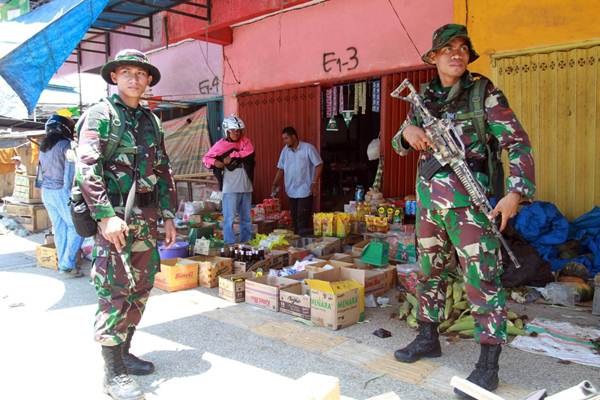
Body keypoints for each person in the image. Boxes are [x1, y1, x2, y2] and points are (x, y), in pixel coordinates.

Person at [391, 24, 535, 399]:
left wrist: (515, 193)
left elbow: (517, 142)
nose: (457, 53)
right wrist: (407, 134)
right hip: (428, 204)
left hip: (471, 206)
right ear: (434, 56)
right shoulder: (424, 96)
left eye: (462, 47)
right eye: (447, 48)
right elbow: (401, 136)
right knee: (429, 273)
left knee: (482, 279)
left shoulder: (482, 93)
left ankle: (488, 365)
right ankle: (427, 337)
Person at [75, 49, 177, 400]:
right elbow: (87, 168)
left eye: (141, 73)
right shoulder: (100, 116)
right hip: (115, 219)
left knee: (141, 287)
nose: (134, 79)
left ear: (149, 80)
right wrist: (105, 216)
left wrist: (167, 215)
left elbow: (163, 170)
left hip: (146, 221)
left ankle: (125, 353)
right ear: (114, 77)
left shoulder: (152, 121)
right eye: (127, 72)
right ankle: (112, 372)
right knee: (115, 291)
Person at [38, 114, 84, 277]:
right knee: (77, 227)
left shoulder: (44, 147)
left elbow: (40, 175)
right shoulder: (66, 145)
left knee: (59, 228)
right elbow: (70, 174)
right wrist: (71, 194)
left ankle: (64, 263)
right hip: (61, 191)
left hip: (46, 193)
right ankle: (67, 264)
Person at [203, 115, 255, 244]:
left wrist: (232, 155)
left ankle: (246, 243)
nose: (236, 133)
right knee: (229, 218)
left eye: (239, 130)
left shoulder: (246, 141)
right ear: (227, 131)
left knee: (246, 218)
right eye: (233, 130)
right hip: (230, 187)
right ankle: (229, 244)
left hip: (246, 186)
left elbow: (249, 152)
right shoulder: (220, 144)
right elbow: (206, 159)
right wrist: (217, 163)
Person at [271, 126, 322, 236]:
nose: (284, 141)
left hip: (305, 191)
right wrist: (275, 183)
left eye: (286, 138)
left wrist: (314, 182)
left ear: (294, 137)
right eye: (283, 139)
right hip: (291, 191)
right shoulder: (285, 151)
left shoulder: (308, 148)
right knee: (294, 220)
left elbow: (319, 165)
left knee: (302, 221)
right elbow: (281, 168)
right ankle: (297, 247)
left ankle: (303, 246)